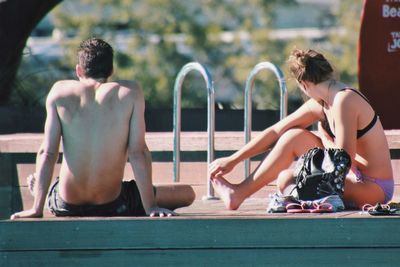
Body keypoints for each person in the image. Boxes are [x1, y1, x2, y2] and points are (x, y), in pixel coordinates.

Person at [10, 38, 195, 219]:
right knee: (187, 193)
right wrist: (150, 207)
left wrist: (36, 208)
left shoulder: (59, 92)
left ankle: (45, 192)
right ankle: (49, 189)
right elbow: (138, 153)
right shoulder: (130, 93)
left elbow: (48, 153)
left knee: (58, 188)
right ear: (111, 70)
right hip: (113, 204)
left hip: (65, 204)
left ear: (79, 70)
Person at [209, 49, 393, 210]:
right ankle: (239, 193)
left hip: (372, 186)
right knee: (292, 140)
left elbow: (344, 162)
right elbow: (275, 132)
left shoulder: (344, 100)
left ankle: (303, 200)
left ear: (303, 85)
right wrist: (233, 160)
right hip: (349, 178)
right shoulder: (321, 103)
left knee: (288, 180)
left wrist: (324, 137)